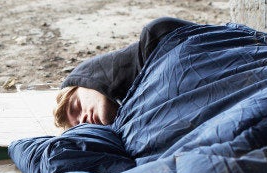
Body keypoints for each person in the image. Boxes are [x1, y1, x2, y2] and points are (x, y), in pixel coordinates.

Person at [53, 17, 195, 128]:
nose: (83, 119)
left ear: (85, 79)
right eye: (78, 125)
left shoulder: (156, 38)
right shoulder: (135, 127)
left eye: (76, 107)